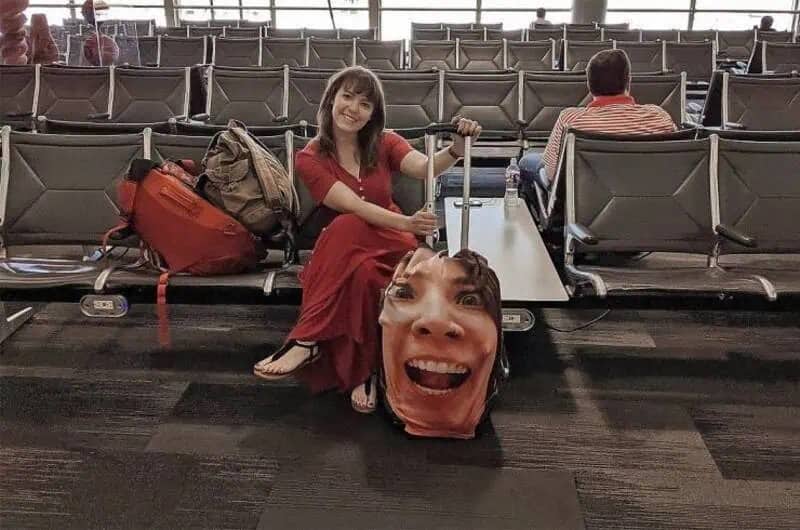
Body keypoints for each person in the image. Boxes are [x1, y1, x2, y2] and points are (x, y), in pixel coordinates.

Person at [253, 66, 482, 414]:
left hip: (392, 241)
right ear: (330, 100)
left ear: (373, 113)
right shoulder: (309, 158)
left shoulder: (386, 141)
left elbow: (425, 168)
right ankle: (368, 371)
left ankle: (307, 339)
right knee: (361, 268)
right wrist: (408, 220)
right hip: (351, 246)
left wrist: (456, 149)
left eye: (365, 103)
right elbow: (354, 206)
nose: (353, 108)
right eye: (347, 97)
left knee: (345, 229)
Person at [519, 49, 677, 187]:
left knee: (528, 161)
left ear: (589, 85)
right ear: (629, 81)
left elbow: (552, 174)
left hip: (586, 201)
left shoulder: (571, 119)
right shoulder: (659, 116)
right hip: (653, 195)